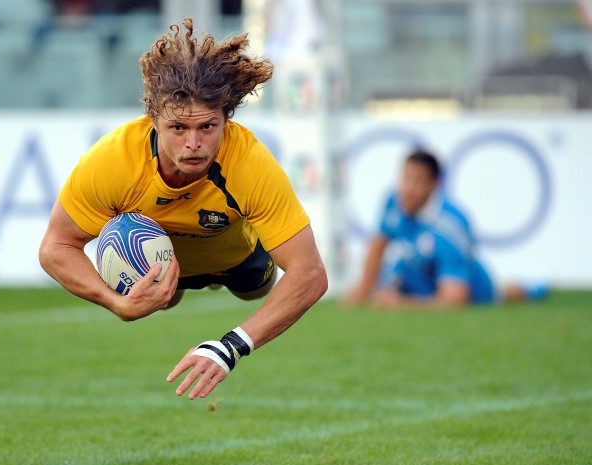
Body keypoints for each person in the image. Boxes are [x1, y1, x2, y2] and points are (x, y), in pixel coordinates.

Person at [39, 18, 328, 401]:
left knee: (255, 291)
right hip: (158, 270)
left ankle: (224, 271)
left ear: (227, 119)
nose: (194, 143)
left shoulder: (250, 163)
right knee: (166, 298)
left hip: (237, 260)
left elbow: (310, 274)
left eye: (208, 127)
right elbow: (55, 247)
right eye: (178, 128)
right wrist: (116, 303)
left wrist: (229, 348)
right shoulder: (114, 160)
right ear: (153, 120)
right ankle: (173, 283)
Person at [343, 149, 547, 309]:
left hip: (472, 289)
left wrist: (401, 304)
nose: (407, 188)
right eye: (405, 178)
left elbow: (454, 299)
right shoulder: (394, 201)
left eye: (416, 181)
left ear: (434, 185)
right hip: (418, 276)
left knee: (501, 293)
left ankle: (532, 290)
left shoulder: (451, 228)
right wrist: (362, 290)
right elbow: (378, 245)